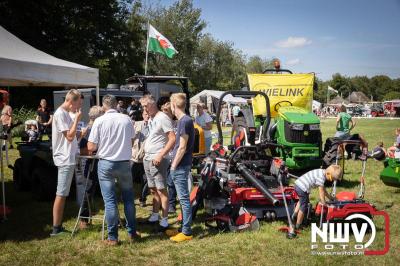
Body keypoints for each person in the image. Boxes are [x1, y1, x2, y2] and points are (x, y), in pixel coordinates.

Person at [87, 95, 139, 245]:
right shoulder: (126, 119)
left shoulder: (99, 120)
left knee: (110, 201)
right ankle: (132, 232)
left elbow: (91, 147)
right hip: (123, 163)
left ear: (104, 106)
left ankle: (113, 237)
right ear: (116, 105)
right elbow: (131, 140)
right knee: (129, 199)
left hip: (106, 164)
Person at [50, 89, 82, 236]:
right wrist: (76, 119)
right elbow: (69, 137)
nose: (77, 108)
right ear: (71, 101)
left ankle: (58, 226)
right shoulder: (60, 114)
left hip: (68, 157)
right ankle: (56, 229)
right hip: (64, 158)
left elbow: (72, 136)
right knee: (61, 194)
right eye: (77, 104)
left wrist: (80, 133)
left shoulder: (65, 113)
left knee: (63, 193)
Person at [141, 95, 175, 231]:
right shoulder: (152, 118)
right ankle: (155, 215)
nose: (144, 109)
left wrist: (161, 154)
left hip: (157, 158)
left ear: (153, 104)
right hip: (148, 158)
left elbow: (172, 139)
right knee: (153, 189)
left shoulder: (162, 118)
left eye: (145, 106)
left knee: (161, 189)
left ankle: (165, 220)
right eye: (142, 106)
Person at [166, 93, 195, 242]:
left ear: (173, 105)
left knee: (183, 199)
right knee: (182, 198)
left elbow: (182, 147)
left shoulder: (184, 121)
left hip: (180, 166)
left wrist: (173, 165)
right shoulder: (184, 120)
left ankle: (187, 232)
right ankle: (183, 227)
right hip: (181, 165)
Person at [75, 106, 104, 229]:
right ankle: (84, 219)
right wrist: (96, 149)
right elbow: (81, 150)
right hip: (87, 163)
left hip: (94, 162)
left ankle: (87, 217)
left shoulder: (94, 128)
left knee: (91, 190)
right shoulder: (89, 129)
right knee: (87, 191)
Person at [292, 165, 343, 230]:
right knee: (303, 206)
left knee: (302, 200)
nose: (331, 181)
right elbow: (321, 191)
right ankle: (298, 225)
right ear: (328, 174)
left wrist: (330, 197)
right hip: (302, 187)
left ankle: (294, 215)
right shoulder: (321, 177)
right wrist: (324, 202)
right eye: (331, 179)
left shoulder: (322, 172)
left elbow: (324, 190)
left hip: (299, 184)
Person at [131, 109, 150, 207]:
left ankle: (143, 199)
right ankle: (128, 197)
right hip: (134, 157)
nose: (147, 116)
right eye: (146, 114)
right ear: (143, 115)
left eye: (149, 114)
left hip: (146, 157)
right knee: (130, 178)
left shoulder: (153, 125)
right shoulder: (136, 124)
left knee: (145, 180)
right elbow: (130, 138)